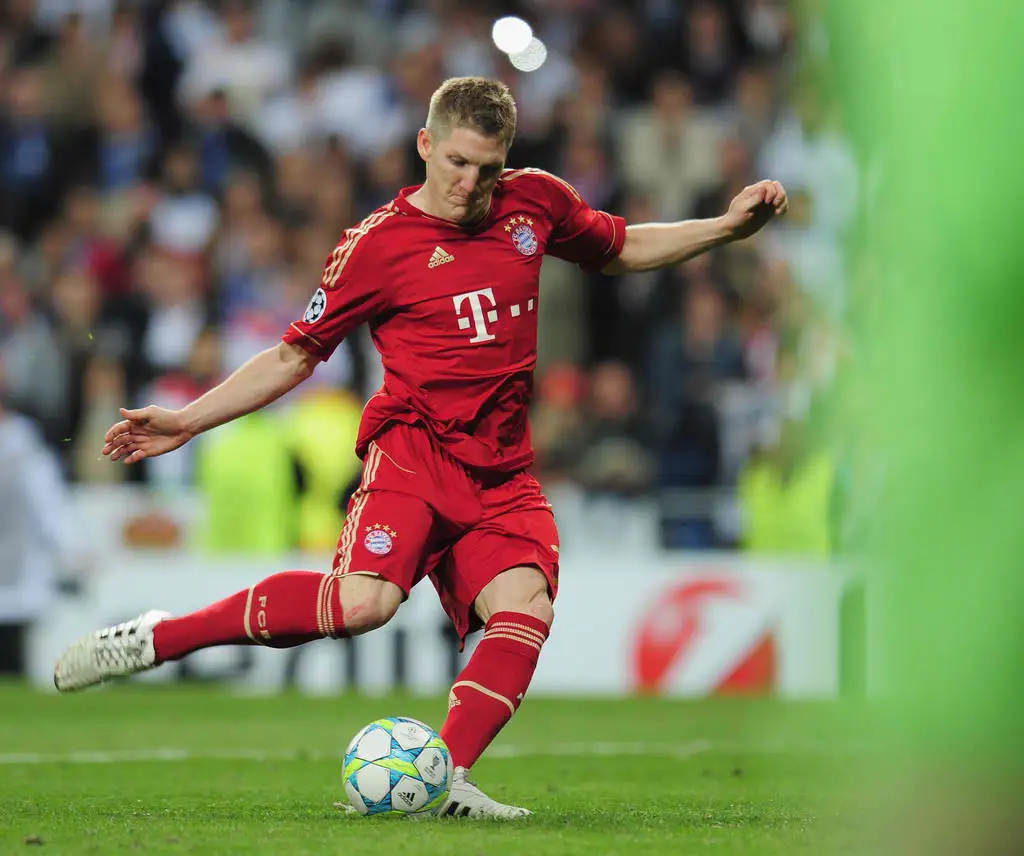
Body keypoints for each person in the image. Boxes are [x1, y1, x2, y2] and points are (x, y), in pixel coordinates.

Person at [53, 77, 788, 818]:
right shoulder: (376, 247)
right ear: (426, 145)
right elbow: (293, 356)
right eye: (459, 163)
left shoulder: (534, 202)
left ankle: (448, 778)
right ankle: (160, 638)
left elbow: (620, 245)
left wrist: (724, 227)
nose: (472, 184)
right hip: (415, 455)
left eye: (489, 168)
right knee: (362, 605)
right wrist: (187, 421)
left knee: (524, 605)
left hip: (501, 468)